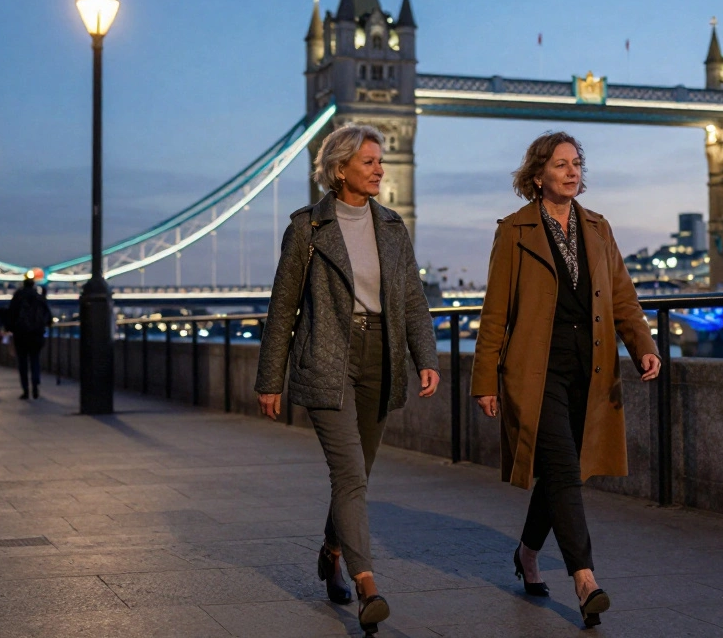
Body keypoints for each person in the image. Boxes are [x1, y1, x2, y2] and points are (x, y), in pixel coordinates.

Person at [255, 124, 439, 635]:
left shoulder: (393, 226)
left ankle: (332, 551)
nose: (381, 169)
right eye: (370, 162)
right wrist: (270, 378)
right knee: (350, 475)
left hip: (382, 356)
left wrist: (426, 356)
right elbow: (283, 309)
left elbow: (412, 301)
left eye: (381, 161)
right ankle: (367, 584)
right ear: (340, 169)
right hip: (327, 358)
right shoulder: (307, 230)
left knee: (361, 472)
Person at [471, 132, 661, 628]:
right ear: (538, 176)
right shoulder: (514, 231)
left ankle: (527, 553)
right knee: (561, 467)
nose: (572, 172)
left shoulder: (598, 228)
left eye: (577, 163)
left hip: (592, 368)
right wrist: (484, 380)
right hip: (536, 370)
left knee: (563, 471)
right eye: (560, 165)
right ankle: (585, 579)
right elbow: (496, 312)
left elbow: (622, 296)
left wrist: (643, 346)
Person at [5, 277, 52, 399]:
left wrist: (10, 329)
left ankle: (25, 390)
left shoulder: (18, 297)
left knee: (23, 362)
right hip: (36, 334)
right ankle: (35, 385)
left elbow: (10, 315)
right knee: (35, 360)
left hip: (21, 335)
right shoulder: (39, 297)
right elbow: (48, 316)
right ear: (33, 285)